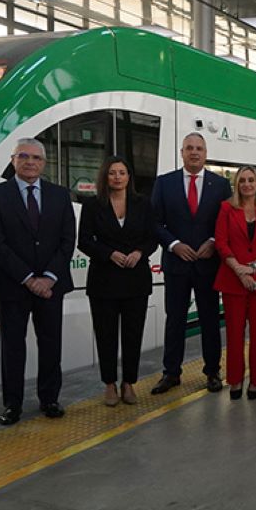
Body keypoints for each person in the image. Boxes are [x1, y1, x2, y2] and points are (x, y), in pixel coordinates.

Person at [0, 138, 76, 425]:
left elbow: (67, 240)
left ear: (44, 163)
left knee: (51, 344)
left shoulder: (60, 195)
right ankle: (13, 405)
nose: (30, 161)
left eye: (36, 157)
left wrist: (47, 278)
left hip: (51, 286)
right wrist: (28, 278)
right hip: (12, 286)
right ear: (13, 160)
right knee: (13, 347)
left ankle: (50, 399)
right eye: (23, 156)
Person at [151, 132, 231, 395]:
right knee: (175, 320)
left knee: (210, 320)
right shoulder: (164, 183)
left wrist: (212, 242)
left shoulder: (221, 186)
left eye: (199, 148)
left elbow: (226, 222)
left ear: (205, 153)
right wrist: (174, 245)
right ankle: (171, 373)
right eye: (189, 148)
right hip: (177, 264)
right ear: (181, 152)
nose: (194, 152)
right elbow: (155, 222)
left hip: (207, 264)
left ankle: (212, 372)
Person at [77, 156, 158, 407]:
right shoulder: (93, 205)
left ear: (128, 177)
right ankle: (110, 384)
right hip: (104, 280)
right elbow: (84, 241)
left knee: (133, 335)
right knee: (106, 335)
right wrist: (109, 254)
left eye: (122, 173)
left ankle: (129, 383)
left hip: (136, 279)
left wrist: (139, 252)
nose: (117, 177)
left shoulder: (143, 203)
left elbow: (152, 237)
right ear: (105, 176)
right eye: (112, 173)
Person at [214, 166, 256, 400]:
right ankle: (235, 381)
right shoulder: (226, 208)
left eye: (251, 180)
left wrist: (254, 267)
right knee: (234, 334)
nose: (247, 184)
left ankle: (255, 381)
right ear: (237, 184)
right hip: (233, 280)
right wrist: (240, 271)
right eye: (242, 180)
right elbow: (221, 242)